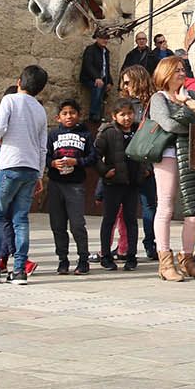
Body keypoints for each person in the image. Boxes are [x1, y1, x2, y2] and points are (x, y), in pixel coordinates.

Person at [0, 66, 49, 284]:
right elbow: (42, 146)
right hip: (30, 168)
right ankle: (19, 269)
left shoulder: (9, 100)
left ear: (19, 81)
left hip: (10, 165)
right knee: (20, 218)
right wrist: (39, 173)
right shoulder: (40, 109)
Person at [147, 56, 195, 282]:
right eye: (176, 70)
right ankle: (165, 262)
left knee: (193, 211)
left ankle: (187, 260)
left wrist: (187, 103)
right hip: (168, 155)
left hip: (192, 154)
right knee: (165, 206)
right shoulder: (159, 98)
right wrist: (191, 115)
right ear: (165, 73)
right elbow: (169, 124)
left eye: (183, 70)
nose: (182, 74)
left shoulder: (192, 95)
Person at [43, 98, 96, 275]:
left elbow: (93, 157)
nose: (69, 116)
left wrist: (77, 161)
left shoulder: (85, 135)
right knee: (57, 225)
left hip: (75, 185)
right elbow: (45, 155)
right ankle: (62, 259)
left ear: (79, 115)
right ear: (58, 117)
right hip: (56, 184)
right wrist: (52, 163)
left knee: (77, 224)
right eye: (65, 113)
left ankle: (83, 259)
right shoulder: (52, 135)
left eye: (72, 113)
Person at [95, 99, 147, 272]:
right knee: (109, 220)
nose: (127, 118)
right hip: (113, 184)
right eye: (122, 114)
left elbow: (148, 150)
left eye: (129, 114)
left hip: (133, 184)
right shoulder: (108, 132)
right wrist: (105, 171)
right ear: (114, 116)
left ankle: (131, 256)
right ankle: (106, 256)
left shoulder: (139, 130)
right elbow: (95, 155)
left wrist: (146, 170)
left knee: (131, 220)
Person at [119, 66, 159, 260]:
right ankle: (124, 247)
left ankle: (151, 244)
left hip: (146, 162)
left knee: (149, 205)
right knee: (124, 208)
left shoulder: (152, 103)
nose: (125, 86)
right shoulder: (124, 104)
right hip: (126, 163)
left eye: (128, 82)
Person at [79, 35, 112, 126]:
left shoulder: (106, 52)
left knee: (103, 94)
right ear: (97, 39)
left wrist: (109, 81)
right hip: (89, 78)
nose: (104, 40)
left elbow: (106, 68)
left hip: (102, 79)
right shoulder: (90, 50)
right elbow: (88, 65)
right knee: (98, 87)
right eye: (102, 38)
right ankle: (94, 114)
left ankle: (100, 115)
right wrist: (96, 77)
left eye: (106, 38)